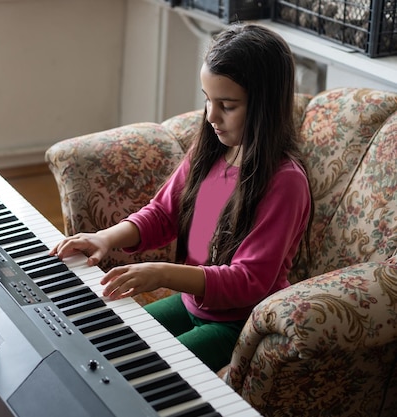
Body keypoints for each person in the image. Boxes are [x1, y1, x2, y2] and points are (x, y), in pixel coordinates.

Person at [49, 23, 313, 373]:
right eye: (207, 99)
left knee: (142, 372)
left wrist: (162, 273)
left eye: (228, 105)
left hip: (237, 324)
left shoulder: (285, 183)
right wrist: (105, 238)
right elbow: (162, 213)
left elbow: (248, 280)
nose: (211, 116)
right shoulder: (211, 152)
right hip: (191, 304)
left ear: (265, 105)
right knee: (102, 343)